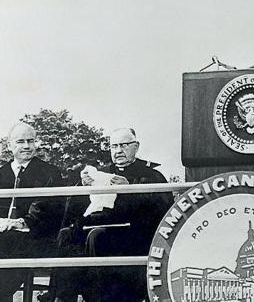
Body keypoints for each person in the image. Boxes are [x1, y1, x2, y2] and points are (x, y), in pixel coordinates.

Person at [53, 128, 173, 302]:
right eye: (114, 146)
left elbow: (161, 209)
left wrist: (130, 188)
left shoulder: (151, 174)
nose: (118, 151)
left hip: (135, 235)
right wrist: (83, 187)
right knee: (66, 235)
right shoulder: (102, 172)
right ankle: (63, 297)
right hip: (98, 225)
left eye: (124, 145)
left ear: (136, 147)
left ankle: (99, 298)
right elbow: (76, 208)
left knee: (97, 236)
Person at [0, 122, 64, 302]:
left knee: (8, 243)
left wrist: (21, 222)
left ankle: (1, 295)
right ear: (10, 145)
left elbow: (47, 209)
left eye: (31, 141)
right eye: (21, 141)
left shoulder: (50, 173)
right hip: (0, 233)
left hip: (35, 235)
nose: (26, 146)